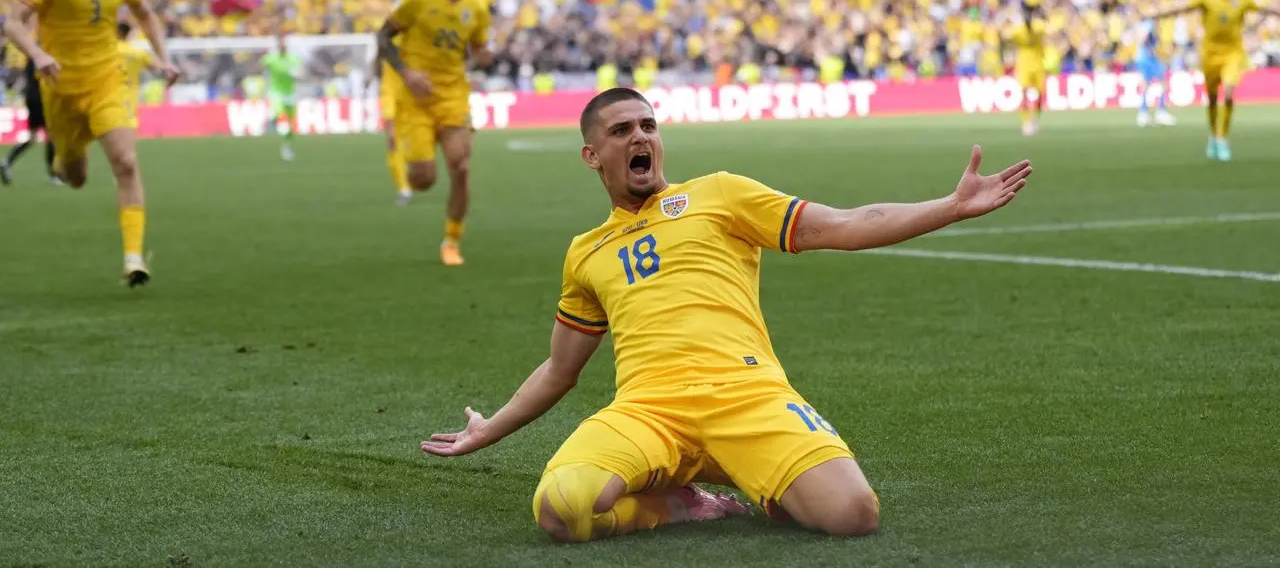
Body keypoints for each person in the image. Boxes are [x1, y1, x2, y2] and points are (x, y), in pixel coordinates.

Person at [421, 88, 1033, 542]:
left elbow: (842, 224)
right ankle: (684, 505)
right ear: (592, 155)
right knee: (562, 509)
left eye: (648, 125)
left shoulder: (719, 194)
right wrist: (488, 429)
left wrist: (949, 207)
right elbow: (559, 370)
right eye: (622, 130)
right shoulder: (586, 252)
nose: (641, 137)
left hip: (747, 394)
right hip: (648, 409)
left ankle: (750, 474)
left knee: (853, 515)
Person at [2, 0, 179, 285]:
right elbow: (12, 22)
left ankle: (134, 259)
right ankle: (62, 162)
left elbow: (146, 15)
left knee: (126, 163)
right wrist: (37, 54)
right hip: (60, 87)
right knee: (74, 175)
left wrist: (163, 59)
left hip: (106, 81)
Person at [376, 0, 493, 266]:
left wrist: (484, 55)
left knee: (461, 166)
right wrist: (406, 72)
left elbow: (478, 49)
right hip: (414, 97)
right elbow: (383, 36)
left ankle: (451, 242)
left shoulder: (477, 7)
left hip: (453, 94)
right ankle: (410, 155)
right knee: (423, 180)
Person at [1151, 0, 1280, 161]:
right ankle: (1213, 135)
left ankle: (1223, 139)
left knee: (1228, 94)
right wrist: (1156, 14)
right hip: (1210, 55)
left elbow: (1266, 8)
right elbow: (1183, 8)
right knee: (1212, 99)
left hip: (1233, 54)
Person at [0, 57, 59, 186]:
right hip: (41, 98)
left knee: (32, 137)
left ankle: (7, 161)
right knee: (51, 136)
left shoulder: (31, 56)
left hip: (30, 97)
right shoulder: (44, 56)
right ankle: (53, 175)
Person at [372, 55, 412, 205]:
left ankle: (409, 180)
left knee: (411, 143)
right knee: (392, 140)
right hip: (390, 93)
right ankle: (403, 189)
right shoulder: (387, 37)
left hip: (411, 94)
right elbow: (377, 65)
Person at [1006, 0, 1047, 136]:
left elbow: (1049, 30)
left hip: (1038, 63)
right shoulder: (1018, 29)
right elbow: (1007, 36)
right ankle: (1025, 121)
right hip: (1023, 64)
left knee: (1040, 94)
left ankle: (1035, 118)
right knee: (1023, 93)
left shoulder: (1039, 26)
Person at [262, 32, 303, 161]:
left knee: (291, 125)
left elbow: (300, 72)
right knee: (282, 116)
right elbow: (260, 65)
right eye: (280, 43)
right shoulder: (271, 58)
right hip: (276, 93)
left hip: (290, 93)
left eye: (284, 43)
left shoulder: (293, 59)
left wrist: (297, 74)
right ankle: (273, 120)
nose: (282, 45)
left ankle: (287, 146)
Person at [117, 21, 164, 132]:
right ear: (127, 33)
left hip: (109, 96)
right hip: (130, 96)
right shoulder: (138, 52)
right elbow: (157, 66)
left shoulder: (107, 51)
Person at [1132, 18, 1176, 128]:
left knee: (1147, 84)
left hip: (1143, 57)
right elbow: (1142, 38)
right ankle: (1159, 112)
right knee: (1160, 82)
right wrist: (1150, 48)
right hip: (1148, 58)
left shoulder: (1144, 23)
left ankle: (1144, 114)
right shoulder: (1150, 23)